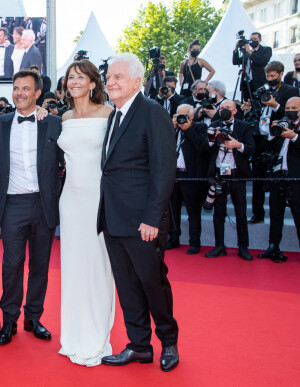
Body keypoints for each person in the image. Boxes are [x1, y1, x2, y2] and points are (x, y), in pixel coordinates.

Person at [98, 53, 179, 372]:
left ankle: (169, 342)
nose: (111, 82)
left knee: (152, 283)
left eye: (118, 77)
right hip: (113, 219)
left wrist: (152, 218)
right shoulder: (113, 116)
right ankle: (139, 345)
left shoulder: (152, 113)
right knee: (127, 285)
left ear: (137, 81)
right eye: (109, 77)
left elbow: (163, 170)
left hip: (143, 222)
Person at [0, 69, 60, 346]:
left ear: (37, 93)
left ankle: (34, 317)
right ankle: (9, 320)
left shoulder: (53, 124)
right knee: (11, 264)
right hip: (13, 204)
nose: (19, 93)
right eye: (16, 88)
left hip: (44, 204)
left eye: (26, 88)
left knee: (40, 265)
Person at [55, 60, 115, 366]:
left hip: (98, 199)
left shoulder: (108, 114)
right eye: (70, 77)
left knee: (97, 267)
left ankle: (96, 335)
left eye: (80, 77)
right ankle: (75, 334)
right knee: (74, 268)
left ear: (93, 83)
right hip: (71, 201)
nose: (74, 81)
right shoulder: (63, 116)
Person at [242, 61, 299, 224]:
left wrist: (275, 105)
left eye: (273, 75)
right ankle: (257, 213)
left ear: (281, 74)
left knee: (277, 179)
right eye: (268, 75)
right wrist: (249, 108)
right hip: (260, 138)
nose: (270, 78)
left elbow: (291, 114)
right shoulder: (262, 90)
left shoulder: (291, 91)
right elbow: (256, 113)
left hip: (279, 139)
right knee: (257, 178)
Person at [204, 100, 255, 260]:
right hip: (219, 174)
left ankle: (243, 247)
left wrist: (238, 144)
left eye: (227, 108)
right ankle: (219, 246)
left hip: (237, 175)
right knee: (218, 213)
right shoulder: (214, 124)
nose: (224, 110)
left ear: (235, 111)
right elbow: (205, 148)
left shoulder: (244, 126)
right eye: (222, 108)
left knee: (241, 213)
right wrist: (212, 138)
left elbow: (252, 148)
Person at [259, 97, 300, 262]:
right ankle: (273, 246)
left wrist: (295, 137)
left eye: (294, 107)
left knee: (298, 214)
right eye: (288, 107)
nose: (290, 110)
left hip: (296, 178)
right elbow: (267, 147)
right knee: (275, 213)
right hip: (278, 176)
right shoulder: (283, 124)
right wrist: (272, 132)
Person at [166, 104, 210, 254]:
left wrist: (188, 129)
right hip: (174, 175)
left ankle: (194, 242)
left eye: (184, 116)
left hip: (190, 176)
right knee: (173, 210)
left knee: (193, 211)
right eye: (179, 116)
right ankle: (173, 239)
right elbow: (163, 146)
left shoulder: (200, 127)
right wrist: (171, 127)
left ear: (192, 117)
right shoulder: (173, 128)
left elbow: (202, 146)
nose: (181, 119)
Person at [232, 32, 272, 102]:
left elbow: (262, 61)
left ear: (260, 40)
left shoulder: (266, 49)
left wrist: (250, 51)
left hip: (259, 83)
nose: (252, 41)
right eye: (251, 39)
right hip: (246, 83)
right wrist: (236, 49)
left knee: (259, 103)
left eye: (255, 39)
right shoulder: (246, 53)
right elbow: (236, 62)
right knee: (247, 103)